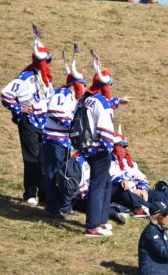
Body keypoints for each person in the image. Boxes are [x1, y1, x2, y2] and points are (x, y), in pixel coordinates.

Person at [1, 35, 54, 206]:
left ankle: (45, 195)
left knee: (44, 159)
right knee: (31, 157)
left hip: (45, 122)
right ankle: (30, 193)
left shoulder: (46, 78)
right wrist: (19, 108)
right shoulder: (24, 77)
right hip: (29, 121)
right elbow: (6, 94)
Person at [42, 54, 86, 218]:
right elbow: (54, 111)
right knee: (53, 173)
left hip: (65, 142)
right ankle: (53, 208)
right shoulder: (62, 94)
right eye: (83, 84)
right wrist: (72, 125)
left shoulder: (73, 98)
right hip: (54, 140)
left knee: (65, 172)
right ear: (76, 84)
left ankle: (64, 205)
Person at [82, 55, 115, 236]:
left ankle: (101, 221)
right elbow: (104, 128)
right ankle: (93, 226)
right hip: (99, 149)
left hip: (87, 146)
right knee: (97, 185)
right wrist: (109, 146)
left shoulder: (86, 98)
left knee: (105, 184)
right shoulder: (101, 102)